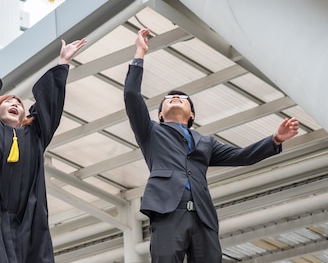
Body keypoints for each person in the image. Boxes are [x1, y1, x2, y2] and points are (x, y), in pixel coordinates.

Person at [124, 29, 299, 262]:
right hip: (168, 211)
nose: (175, 98)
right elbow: (131, 95)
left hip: (203, 216)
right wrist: (140, 53)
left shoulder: (205, 142)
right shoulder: (151, 131)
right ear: (161, 115)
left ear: (192, 114)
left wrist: (275, 139)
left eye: (183, 98)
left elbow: (242, 155)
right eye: (168, 99)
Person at [0, 24, 86, 263]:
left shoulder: (36, 135)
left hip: (29, 214)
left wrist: (63, 63)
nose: (15, 104)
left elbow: (51, 106)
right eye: (8, 101)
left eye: (19, 103)